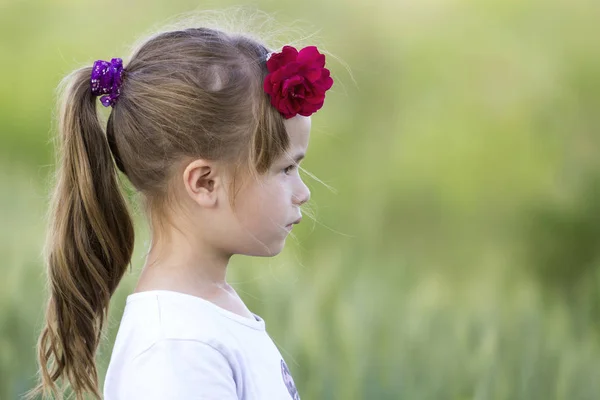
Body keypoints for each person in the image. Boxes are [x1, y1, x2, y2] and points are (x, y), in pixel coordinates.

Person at [28, 23, 333, 400]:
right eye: (285, 169)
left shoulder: (206, 316)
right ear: (204, 182)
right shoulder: (177, 350)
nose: (302, 193)